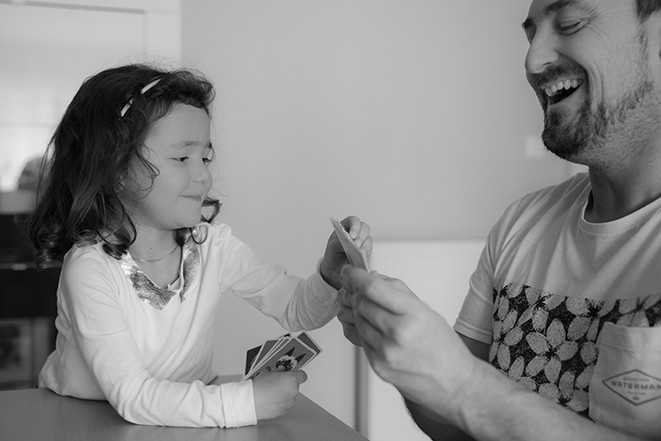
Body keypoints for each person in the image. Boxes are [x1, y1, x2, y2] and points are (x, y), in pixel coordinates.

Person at [337, 0, 661, 440]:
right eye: (531, 35)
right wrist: (407, 361)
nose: (532, 60)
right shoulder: (522, 224)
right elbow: (461, 425)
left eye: (571, 23)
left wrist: (464, 385)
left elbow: (468, 394)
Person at [27, 63, 372, 428]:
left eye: (205, 157)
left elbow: (298, 310)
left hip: (182, 420)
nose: (204, 174)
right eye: (181, 157)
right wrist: (247, 402)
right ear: (115, 168)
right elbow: (133, 396)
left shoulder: (212, 246)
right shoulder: (90, 268)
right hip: (82, 422)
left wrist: (330, 275)